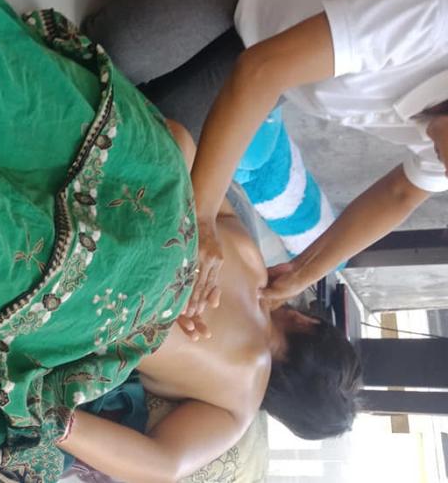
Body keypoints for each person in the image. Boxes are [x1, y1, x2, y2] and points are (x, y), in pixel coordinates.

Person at [84, 0, 448, 316]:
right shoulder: (434, 22)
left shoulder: (441, 150)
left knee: (154, 136)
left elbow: (401, 196)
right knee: (111, 54)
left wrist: (303, 272)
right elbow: (260, 72)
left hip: (280, 56)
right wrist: (200, 218)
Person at [56, 120, 362, 483]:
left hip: (96, 184)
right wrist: (57, 422)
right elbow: (162, 466)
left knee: (177, 144)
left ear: (307, 322)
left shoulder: (250, 261)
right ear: (280, 407)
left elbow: (190, 160)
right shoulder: (239, 402)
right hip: (67, 298)